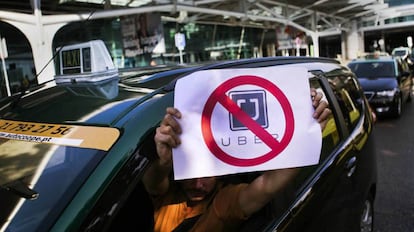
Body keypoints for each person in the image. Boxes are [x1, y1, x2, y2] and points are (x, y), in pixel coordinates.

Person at [142, 88, 331, 232]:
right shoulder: (168, 195)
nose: (198, 184)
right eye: (192, 173)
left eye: (208, 174)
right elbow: (153, 182)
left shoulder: (224, 203)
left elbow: (267, 185)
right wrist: (165, 162)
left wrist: (306, 136)